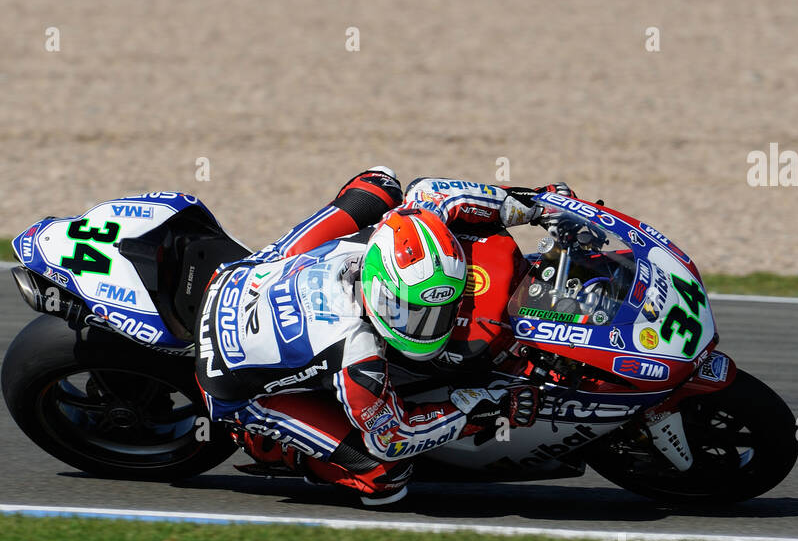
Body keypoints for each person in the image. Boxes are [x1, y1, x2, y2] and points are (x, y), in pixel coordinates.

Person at [195, 167, 568, 505]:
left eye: (442, 310)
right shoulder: (358, 357)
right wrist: (478, 407)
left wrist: (531, 205)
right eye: (419, 313)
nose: (435, 325)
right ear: (381, 292)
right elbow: (393, 437)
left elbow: (435, 192)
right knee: (386, 477)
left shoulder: (392, 233)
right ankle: (272, 446)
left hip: (249, 273)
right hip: (229, 379)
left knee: (381, 183)